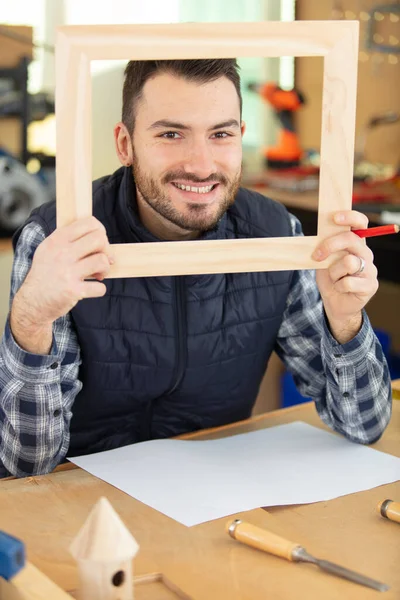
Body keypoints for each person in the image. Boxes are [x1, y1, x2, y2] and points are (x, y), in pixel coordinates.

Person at [0, 59, 392, 479]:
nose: (202, 165)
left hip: (217, 491)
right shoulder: (55, 240)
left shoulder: (278, 235)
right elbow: (29, 467)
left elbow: (362, 425)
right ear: (125, 144)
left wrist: (346, 319)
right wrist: (31, 320)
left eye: (220, 134)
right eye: (171, 134)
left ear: (241, 137)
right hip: (83, 498)